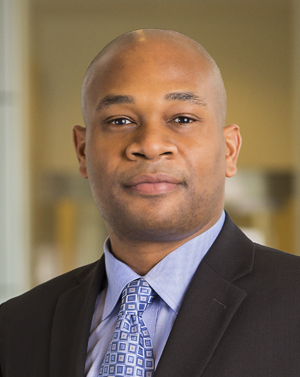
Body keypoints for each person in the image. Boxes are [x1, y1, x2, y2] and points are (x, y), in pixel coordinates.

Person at [0, 29, 299, 377]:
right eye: (120, 120)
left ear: (229, 149)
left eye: (182, 119)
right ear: (82, 150)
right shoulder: (15, 328)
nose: (151, 144)